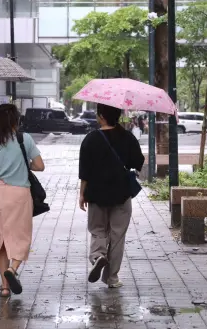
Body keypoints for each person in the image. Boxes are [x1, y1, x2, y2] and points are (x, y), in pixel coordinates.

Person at [0, 104, 45, 297]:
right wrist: (24, 165)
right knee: (21, 236)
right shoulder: (25, 139)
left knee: (0, 240)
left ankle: (5, 287)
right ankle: (13, 269)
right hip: (19, 195)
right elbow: (40, 166)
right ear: (16, 120)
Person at [79, 103, 144, 288]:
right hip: (122, 193)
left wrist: (82, 194)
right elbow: (138, 162)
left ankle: (98, 256)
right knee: (117, 235)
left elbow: (84, 171)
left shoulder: (90, 139)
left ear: (101, 116)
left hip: (96, 193)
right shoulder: (127, 137)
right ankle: (112, 278)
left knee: (98, 229)